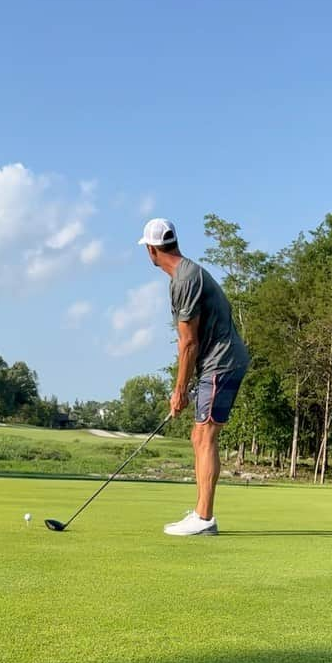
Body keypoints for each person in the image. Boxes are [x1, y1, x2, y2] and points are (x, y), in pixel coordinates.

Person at [139, 218, 250, 536]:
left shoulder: (184, 281)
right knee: (198, 435)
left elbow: (189, 342)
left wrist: (179, 390)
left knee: (205, 436)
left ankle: (204, 519)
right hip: (218, 363)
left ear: (151, 250)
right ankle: (202, 512)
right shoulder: (186, 274)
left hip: (221, 362)